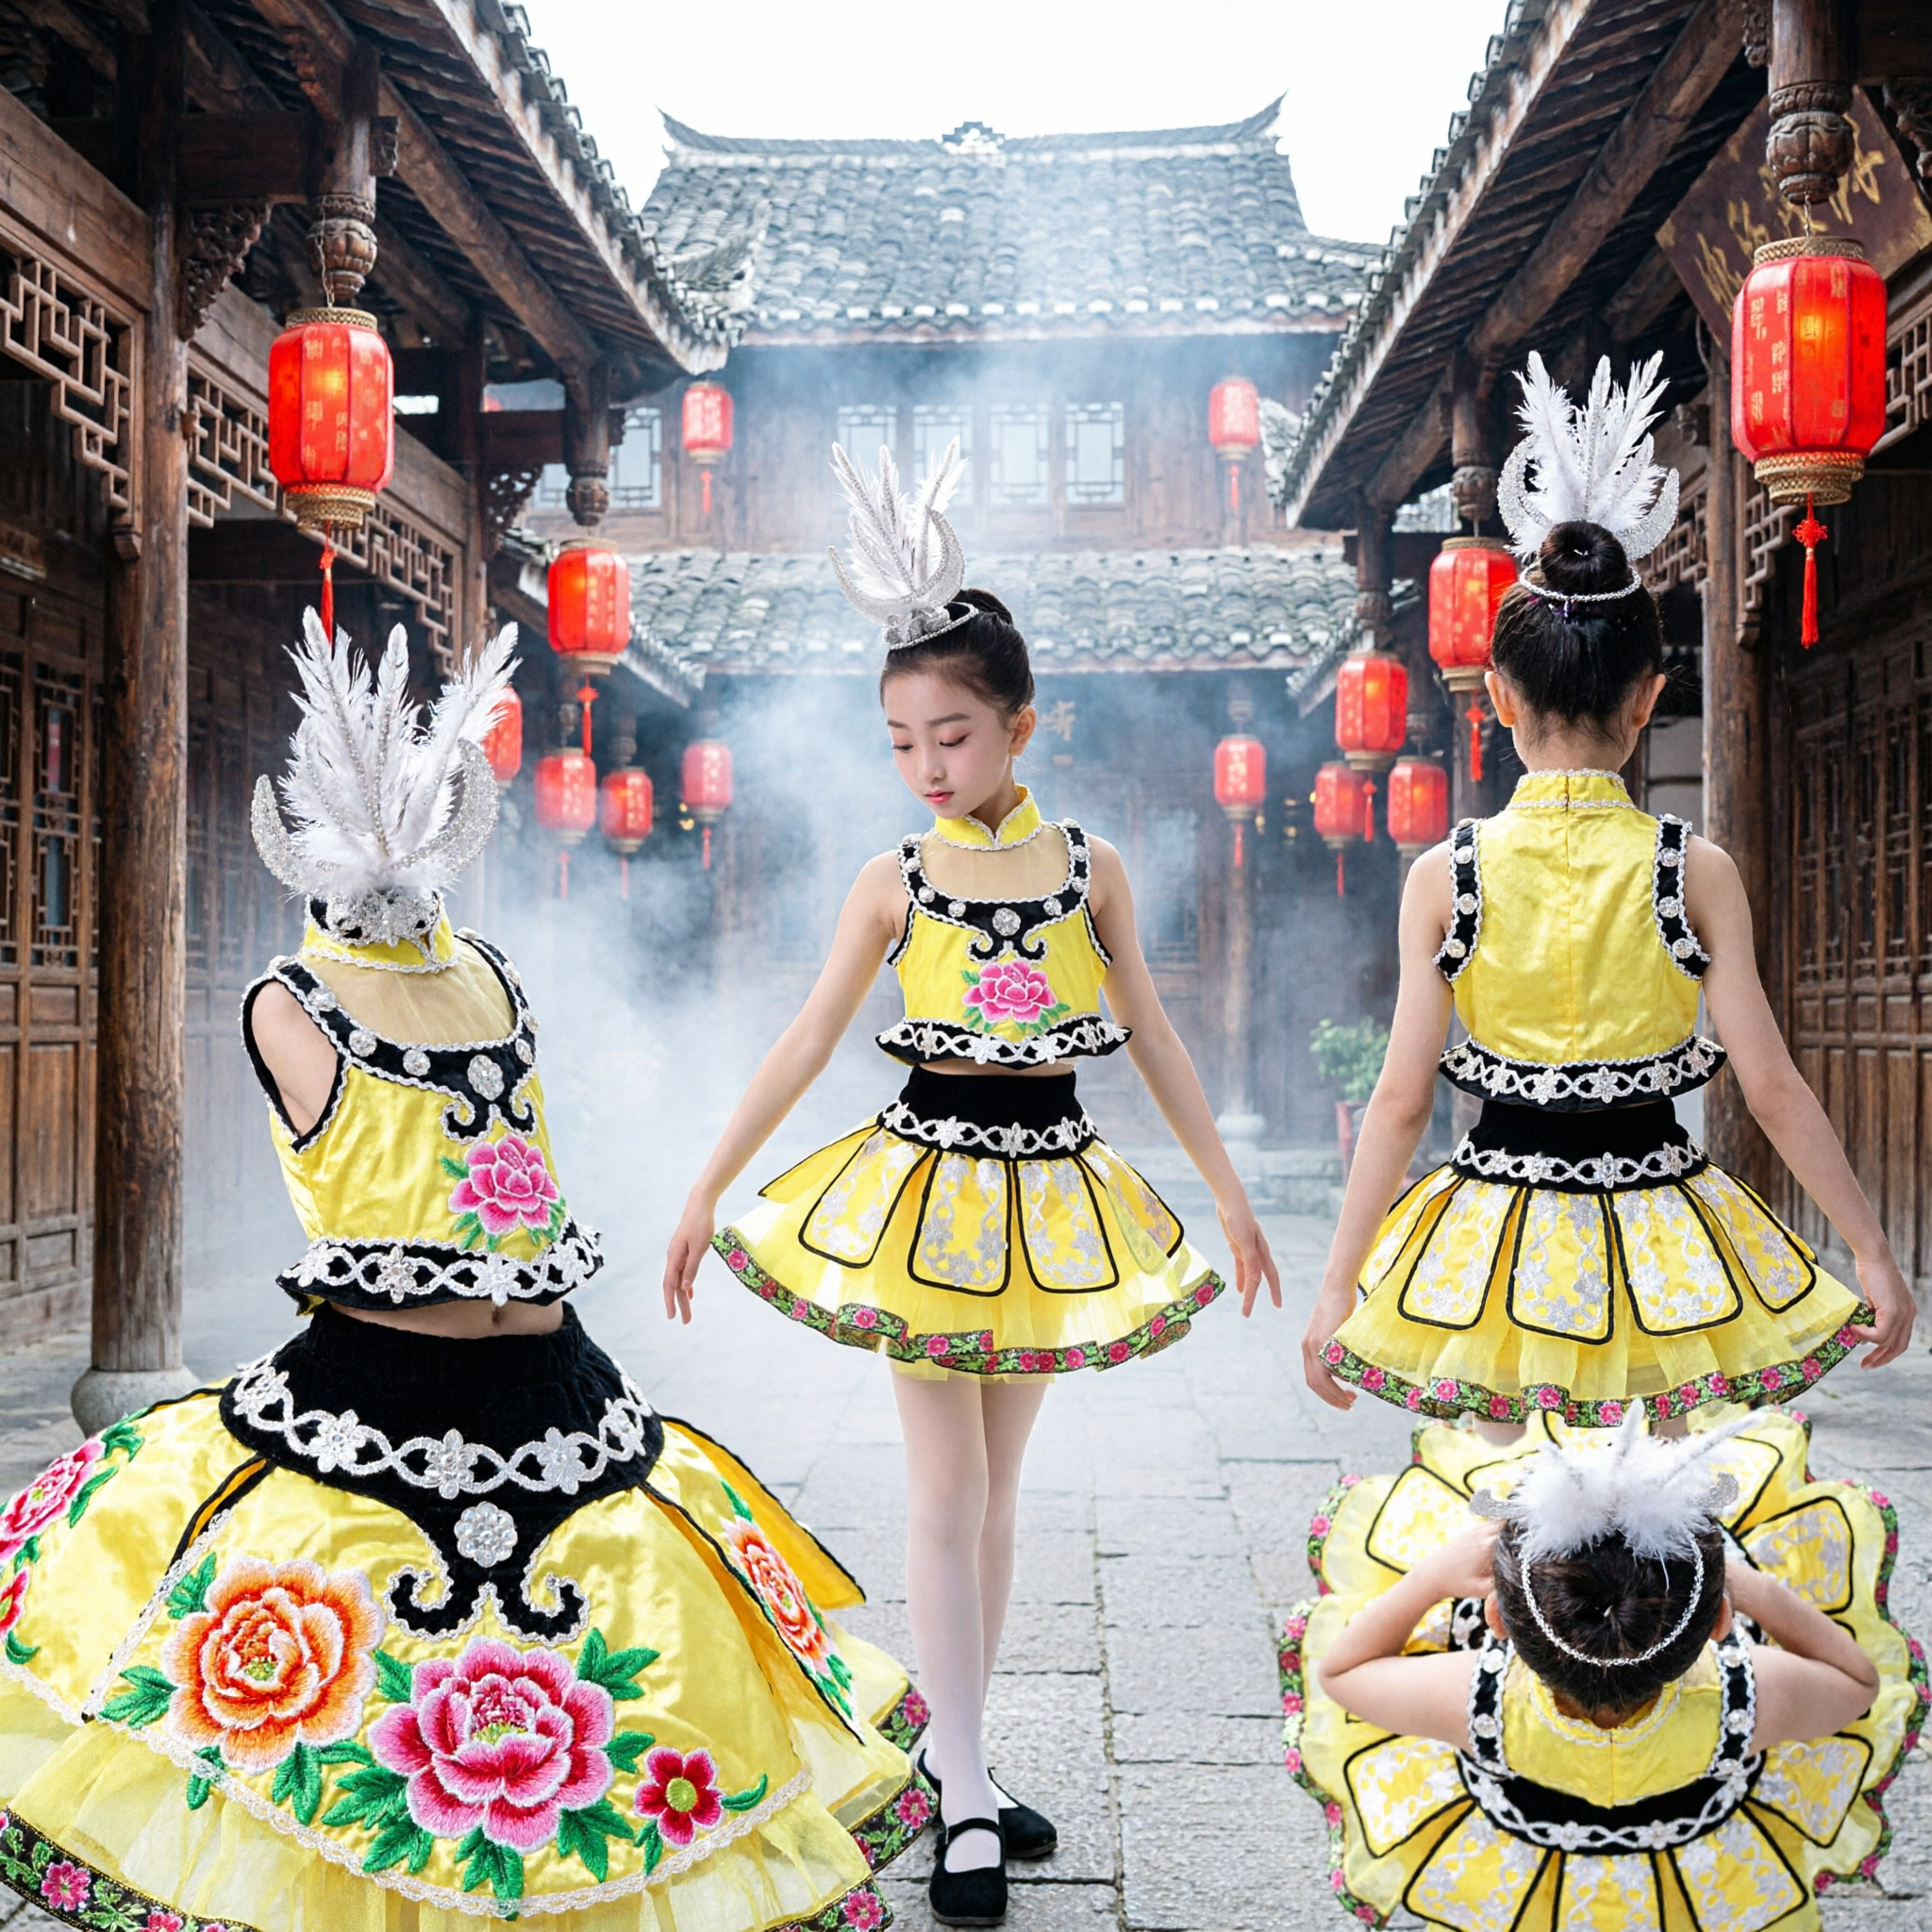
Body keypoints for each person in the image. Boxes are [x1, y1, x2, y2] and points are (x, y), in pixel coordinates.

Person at [0, 616, 929, 1932]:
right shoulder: (289, 996)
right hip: (364, 1390)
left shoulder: (489, 967)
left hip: (561, 1388)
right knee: (354, 1700)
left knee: (632, 1675)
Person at [664, 441, 1280, 1926]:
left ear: (1019, 724)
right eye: (901, 740)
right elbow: (810, 1040)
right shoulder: (892, 877)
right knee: (945, 1496)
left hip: (1056, 1188)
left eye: (951, 733)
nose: (928, 763)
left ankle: (968, 1767)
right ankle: (967, 1789)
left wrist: (1232, 1199)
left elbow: (1153, 1035)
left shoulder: (1090, 866)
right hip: (925, 1194)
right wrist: (704, 1189)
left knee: (1000, 1500)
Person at [1302, 353, 1912, 1433]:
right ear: (1646, 699)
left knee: (1500, 1509)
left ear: (1494, 694)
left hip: (1492, 1231)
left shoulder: (1445, 876)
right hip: (1659, 1232)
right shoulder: (1695, 868)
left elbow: (1398, 1102)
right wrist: (1867, 1247)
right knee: (1657, 1510)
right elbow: (1767, 1084)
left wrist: (1336, 1285)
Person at [1282, 1407, 1924, 1929]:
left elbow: (1341, 1672)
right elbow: (1860, 1685)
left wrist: (1427, 1578)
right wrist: (1754, 1586)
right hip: (1703, 1850)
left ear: (1499, 1624)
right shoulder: (1744, 1696)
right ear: (1721, 1621)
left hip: (1521, 1840)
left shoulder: (1474, 1700)